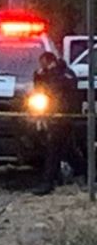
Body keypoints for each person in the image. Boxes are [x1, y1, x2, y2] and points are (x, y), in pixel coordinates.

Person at [32, 51, 80, 195]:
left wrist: (48, 74)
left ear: (49, 61)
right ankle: (86, 173)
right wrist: (38, 76)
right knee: (67, 151)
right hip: (53, 115)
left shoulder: (64, 73)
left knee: (54, 150)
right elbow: (40, 89)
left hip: (63, 117)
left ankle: (48, 183)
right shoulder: (49, 74)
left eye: (43, 63)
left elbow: (61, 88)